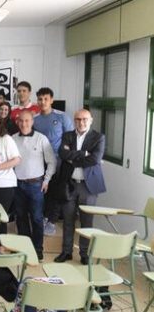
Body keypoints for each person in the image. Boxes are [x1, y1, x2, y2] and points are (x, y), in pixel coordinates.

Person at [55, 109, 106, 265]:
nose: (81, 122)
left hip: (88, 187)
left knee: (86, 222)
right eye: (78, 119)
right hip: (69, 184)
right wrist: (84, 154)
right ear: (74, 120)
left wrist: (74, 156)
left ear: (91, 120)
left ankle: (84, 254)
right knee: (68, 220)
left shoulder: (98, 137)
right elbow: (63, 154)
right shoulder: (67, 135)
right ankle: (67, 251)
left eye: (84, 119)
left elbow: (95, 159)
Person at [12, 111, 56, 261]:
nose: (24, 124)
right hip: (17, 185)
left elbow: (52, 161)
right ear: (18, 122)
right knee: (21, 218)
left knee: (37, 218)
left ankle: (38, 249)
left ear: (32, 122)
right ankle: (25, 248)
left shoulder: (41, 138)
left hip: (36, 185)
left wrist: (47, 180)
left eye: (27, 121)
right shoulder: (12, 139)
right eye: (21, 121)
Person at [33, 87, 74, 235]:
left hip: (58, 162)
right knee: (41, 191)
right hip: (38, 162)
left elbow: (71, 139)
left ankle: (51, 221)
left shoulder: (62, 117)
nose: (42, 102)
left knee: (55, 192)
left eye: (45, 99)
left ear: (51, 100)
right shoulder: (35, 119)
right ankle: (41, 218)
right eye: (40, 99)